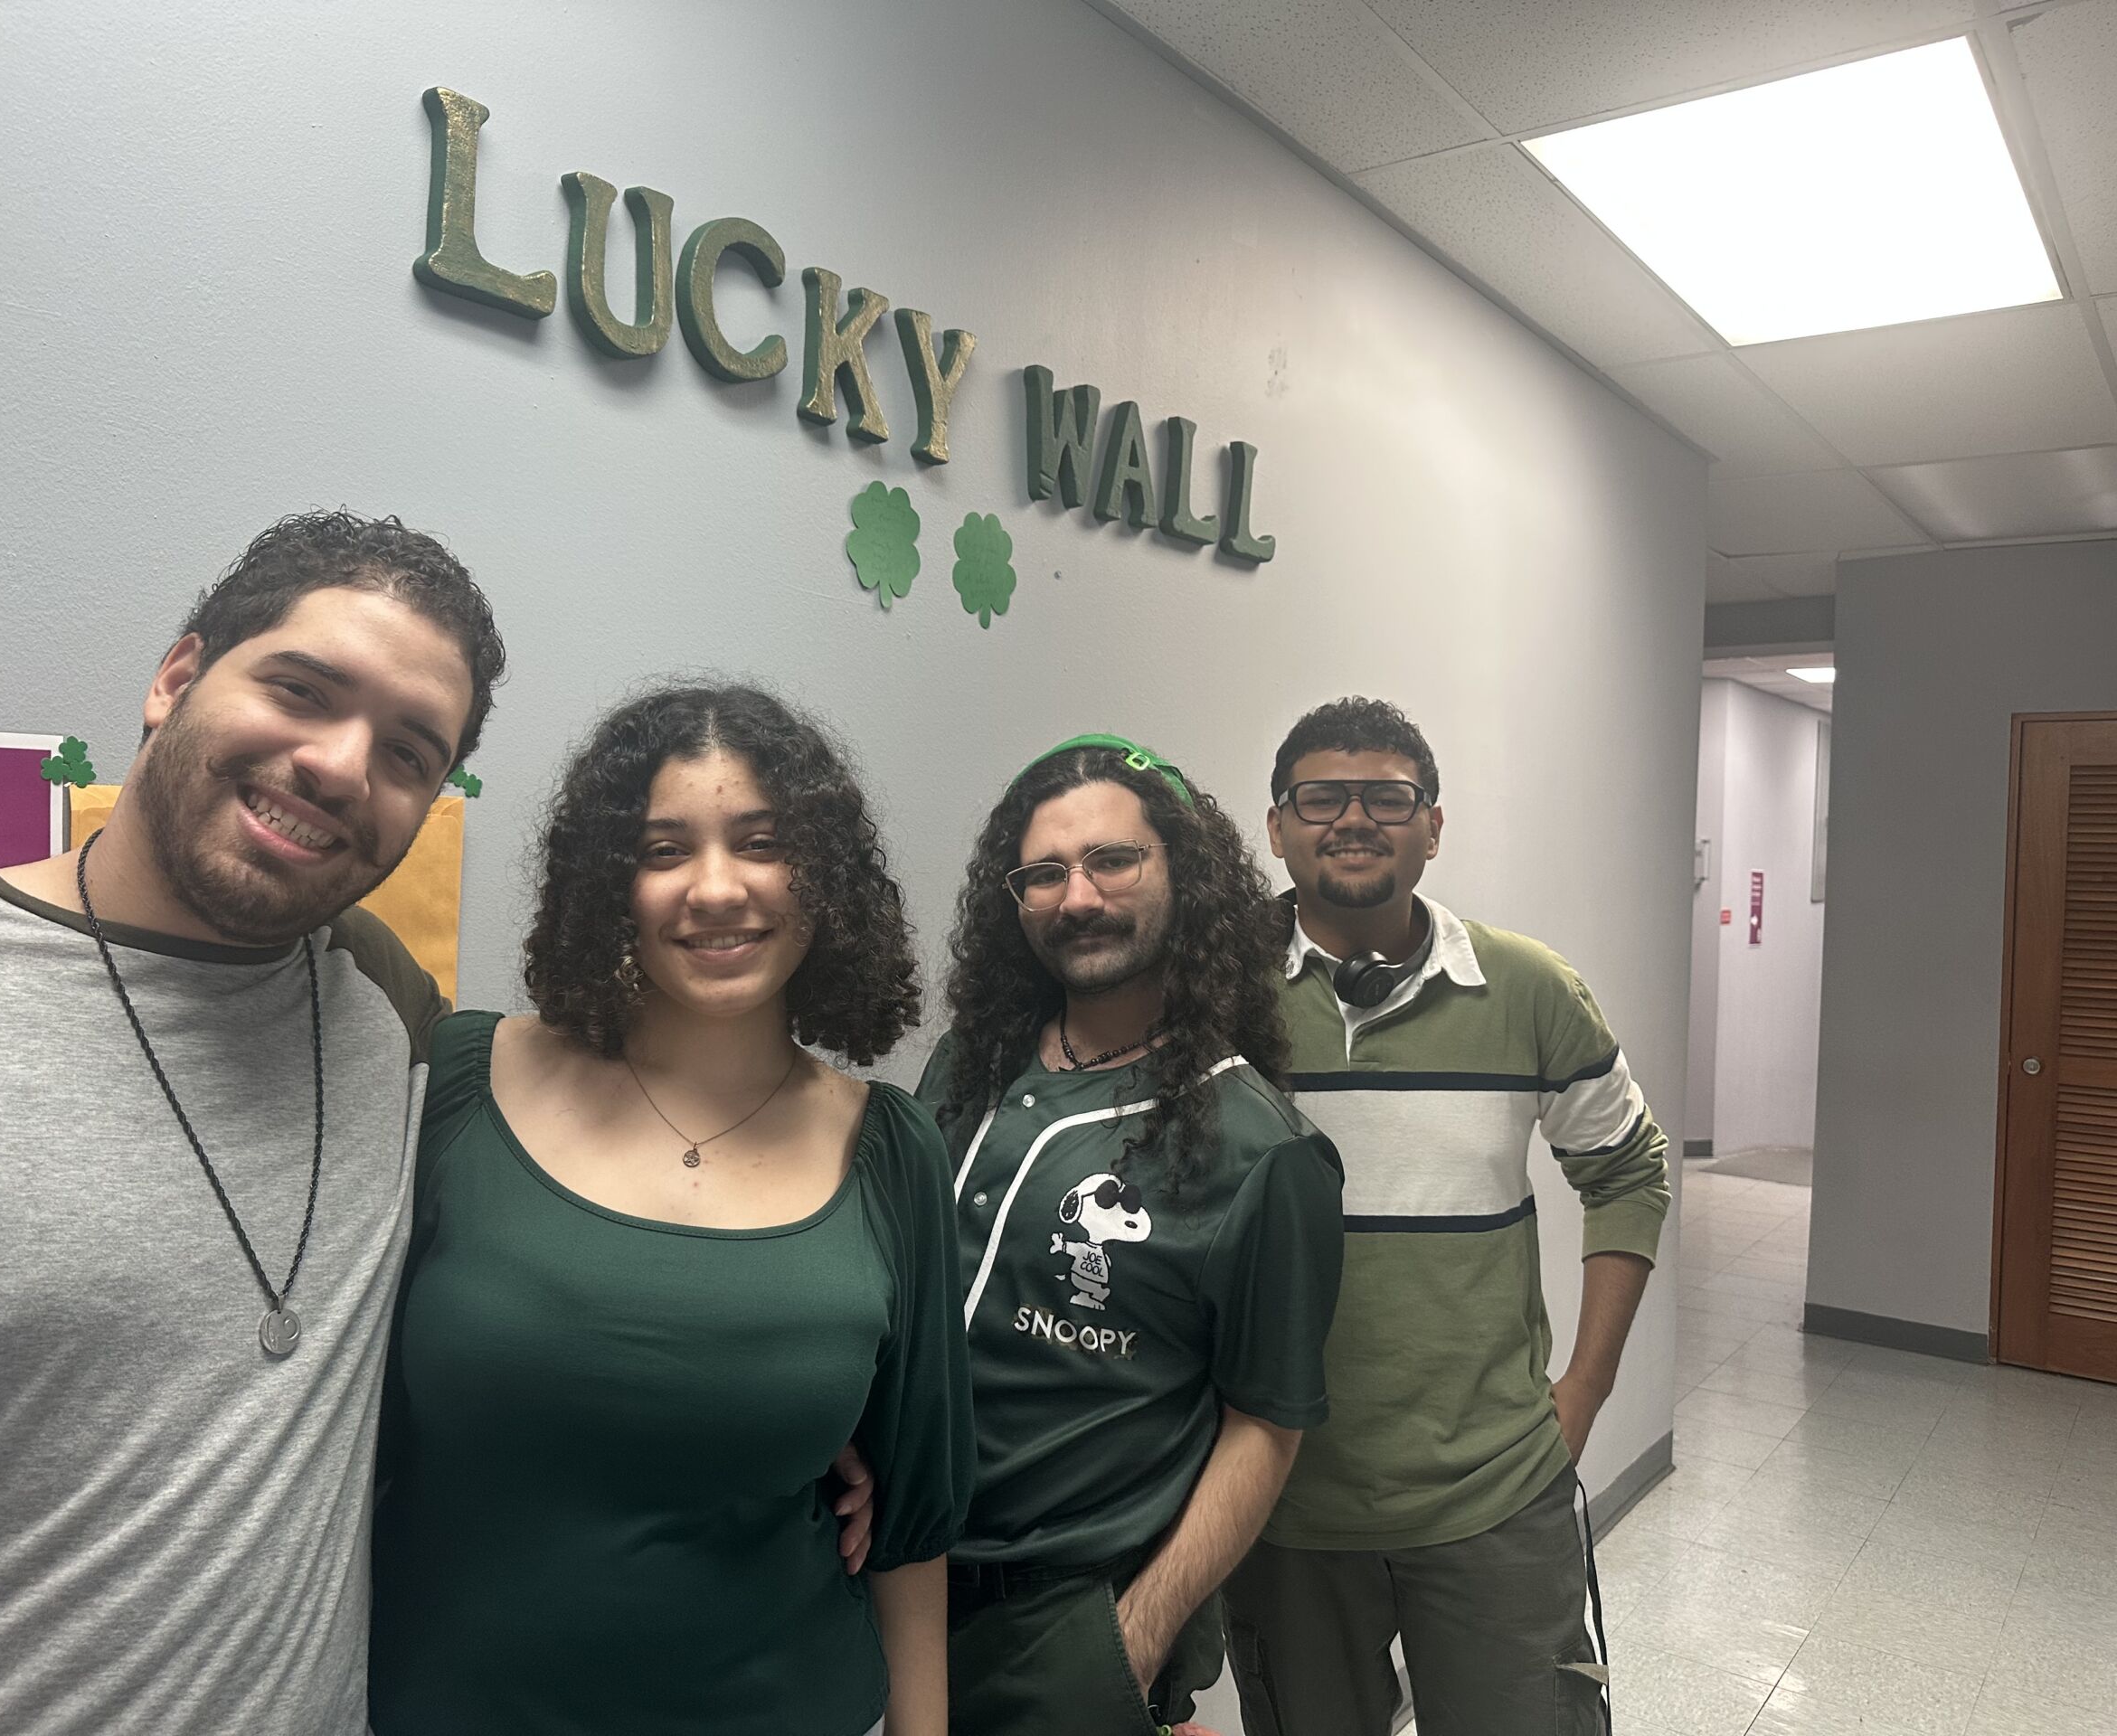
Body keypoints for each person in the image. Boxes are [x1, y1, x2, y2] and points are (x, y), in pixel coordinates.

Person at [0, 511, 507, 1733]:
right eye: (301, 689)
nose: (342, 765)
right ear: (176, 678)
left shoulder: (389, 1010)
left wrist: (768, 1403)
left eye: (408, 753)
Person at [368, 684, 971, 1736]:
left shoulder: (890, 1152)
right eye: (661, 850)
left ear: (821, 876)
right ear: (608, 884)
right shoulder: (456, 1079)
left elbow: (911, 1534)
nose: (717, 888)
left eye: (761, 843)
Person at [1222, 695, 1671, 1736]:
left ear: (1432, 825)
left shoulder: (1526, 988)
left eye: (1389, 796)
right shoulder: (1215, 997)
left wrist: (1586, 1392)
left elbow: (1627, 1172)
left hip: (1494, 1491)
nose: (1353, 818)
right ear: (1277, 826)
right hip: (1280, 1494)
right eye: (1320, 796)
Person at [917, 733, 1345, 1736]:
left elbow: (1266, 1427)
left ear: (1184, 875)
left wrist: (1134, 1640)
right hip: (890, 1575)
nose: (1077, 897)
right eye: (1043, 873)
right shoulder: (961, 1070)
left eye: (1114, 860)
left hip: (1063, 1620)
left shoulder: (1261, 1153)